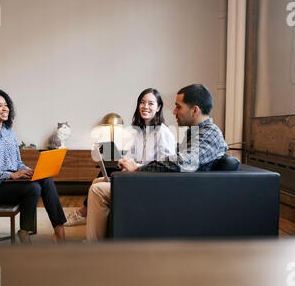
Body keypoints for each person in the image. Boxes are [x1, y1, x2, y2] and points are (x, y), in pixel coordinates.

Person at [86, 84, 228, 241]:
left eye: (178, 107)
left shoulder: (209, 135)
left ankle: (94, 246)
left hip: (168, 190)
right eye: (142, 102)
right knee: (99, 180)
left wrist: (138, 169)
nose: (174, 111)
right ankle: (100, 234)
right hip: (171, 184)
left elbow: (179, 163)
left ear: (194, 110)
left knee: (98, 190)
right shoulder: (196, 133)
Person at [0, 88, 67, 244]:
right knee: (33, 188)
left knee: (45, 179)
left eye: (6, 105)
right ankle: (24, 232)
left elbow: (17, 163)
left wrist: (28, 171)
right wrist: (9, 175)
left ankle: (59, 231)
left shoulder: (9, 133)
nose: (5, 108)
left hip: (14, 181)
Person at [65, 88, 176, 226]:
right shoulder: (140, 132)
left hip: (148, 182)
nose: (145, 106)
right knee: (96, 181)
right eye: (142, 102)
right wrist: (124, 162)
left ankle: (87, 225)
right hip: (136, 177)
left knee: (96, 189)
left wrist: (135, 167)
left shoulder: (163, 133)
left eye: (151, 103)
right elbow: (132, 155)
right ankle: (87, 218)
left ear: (158, 108)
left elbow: (164, 168)